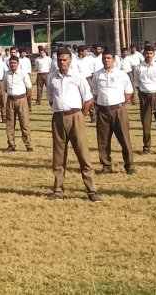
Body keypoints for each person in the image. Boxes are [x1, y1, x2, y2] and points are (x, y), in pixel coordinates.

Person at [46, 47, 99, 201]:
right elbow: (50, 98)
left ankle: (91, 191)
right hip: (58, 118)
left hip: (76, 116)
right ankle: (58, 189)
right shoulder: (52, 78)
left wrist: (80, 116)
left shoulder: (78, 76)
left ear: (70, 60)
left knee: (83, 154)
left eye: (65, 60)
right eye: (60, 60)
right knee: (58, 155)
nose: (62, 63)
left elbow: (88, 100)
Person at [92, 51, 135, 174]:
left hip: (118, 110)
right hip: (102, 110)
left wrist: (121, 104)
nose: (106, 60)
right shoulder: (97, 75)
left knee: (124, 138)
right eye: (104, 58)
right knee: (103, 140)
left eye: (109, 58)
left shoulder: (121, 74)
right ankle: (106, 165)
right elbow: (95, 92)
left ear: (114, 60)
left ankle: (129, 165)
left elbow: (129, 91)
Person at [135, 47, 156, 155]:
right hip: (144, 97)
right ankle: (146, 147)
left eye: (151, 53)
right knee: (146, 123)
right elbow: (137, 84)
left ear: (154, 54)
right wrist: (142, 95)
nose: (149, 55)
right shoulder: (138, 68)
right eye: (147, 53)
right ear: (144, 54)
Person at [3, 54, 33, 152]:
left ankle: (28, 144)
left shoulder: (23, 73)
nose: (12, 65)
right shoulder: (6, 74)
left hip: (21, 100)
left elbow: (29, 88)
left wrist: (24, 98)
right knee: (10, 123)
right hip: (10, 100)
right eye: (11, 63)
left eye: (14, 63)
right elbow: (5, 88)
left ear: (18, 64)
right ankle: (11, 144)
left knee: (24, 123)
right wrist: (12, 95)